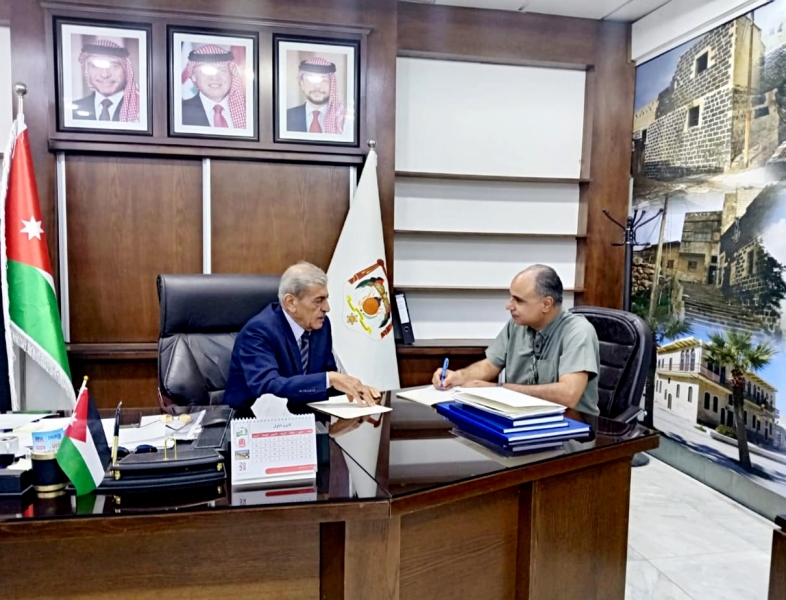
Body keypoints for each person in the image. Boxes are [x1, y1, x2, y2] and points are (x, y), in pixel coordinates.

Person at [432, 265, 601, 415]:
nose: (509, 306)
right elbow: (490, 365)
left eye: (518, 300)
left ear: (546, 304)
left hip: (572, 427)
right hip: (522, 419)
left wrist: (500, 389)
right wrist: (458, 376)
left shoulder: (578, 332)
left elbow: (568, 395)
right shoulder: (517, 325)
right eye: (511, 297)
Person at [224, 262, 380, 410]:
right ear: (291, 302)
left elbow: (327, 381)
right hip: (252, 420)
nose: (327, 308)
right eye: (318, 300)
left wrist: (355, 389)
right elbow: (268, 388)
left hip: (304, 415)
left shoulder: (321, 326)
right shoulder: (258, 332)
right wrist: (330, 379)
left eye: (326, 298)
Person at [72, 39, 140, 122]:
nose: (105, 75)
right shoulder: (72, 111)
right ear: (86, 70)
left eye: (114, 66)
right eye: (95, 66)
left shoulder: (141, 109)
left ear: (126, 70)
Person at [182, 44, 246, 129]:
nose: (215, 77)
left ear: (231, 73)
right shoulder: (180, 112)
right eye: (206, 71)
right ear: (193, 76)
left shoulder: (250, 110)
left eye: (222, 70)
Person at [286, 57, 345, 134]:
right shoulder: (286, 117)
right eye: (310, 80)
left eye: (323, 80)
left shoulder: (343, 119)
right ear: (302, 84)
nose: (317, 86)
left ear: (331, 85)